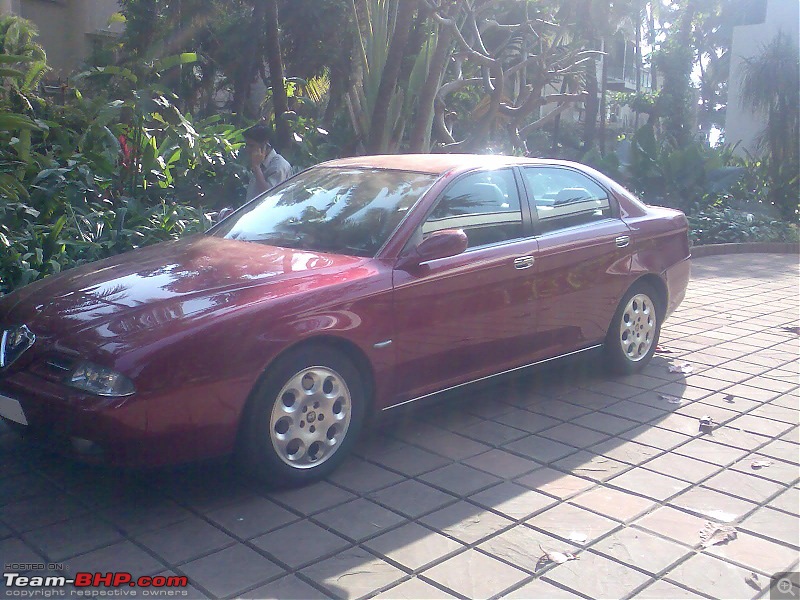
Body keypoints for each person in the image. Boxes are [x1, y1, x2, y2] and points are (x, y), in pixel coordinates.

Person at [244, 124, 292, 202]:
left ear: (266, 146)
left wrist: (256, 167)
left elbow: (269, 196)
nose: (247, 149)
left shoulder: (278, 167)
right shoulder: (261, 163)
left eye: (251, 146)